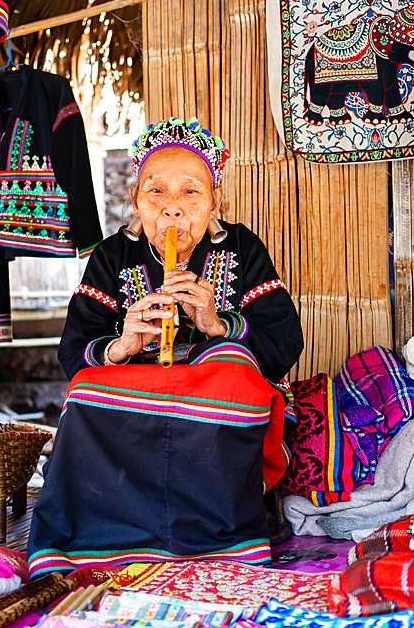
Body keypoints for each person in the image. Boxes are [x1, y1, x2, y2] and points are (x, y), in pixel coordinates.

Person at [27, 117, 304, 577]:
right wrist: (121, 344)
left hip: (216, 390)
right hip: (135, 396)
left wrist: (219, 325)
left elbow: (283, 341)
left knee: (233, 370)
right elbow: (74, 354)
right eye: (156, 192)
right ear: (136, 201)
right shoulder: (111, 256)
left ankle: (220, 535)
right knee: (86, 392)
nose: (172, 210)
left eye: (190, 192)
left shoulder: (243, 248)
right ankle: (103, 535)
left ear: (215, 201)